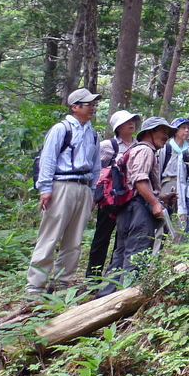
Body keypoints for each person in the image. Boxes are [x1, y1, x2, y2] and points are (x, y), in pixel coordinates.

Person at [26, 88, 102, 299]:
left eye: (93, 104)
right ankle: (35, 288)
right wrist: (45, 189)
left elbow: (96, 165)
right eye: (88, 105)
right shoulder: (61, 129)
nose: (92, 108)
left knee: (74, 240)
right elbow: (48, 159)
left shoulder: (92, 133)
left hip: (84, 188)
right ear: (75, 107)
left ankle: (62, 285)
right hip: (62, 186)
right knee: (50, 236)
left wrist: (93, 191)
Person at [99, 117, 176, 298]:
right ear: (148, 133)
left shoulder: (136, 149)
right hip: (138, 210)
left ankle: (106, 297)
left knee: (121, 253)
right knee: (136, 254)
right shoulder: (145, 150)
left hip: (128, 208)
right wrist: (155, 203)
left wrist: (161, 196)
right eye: (161, 131)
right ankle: (125, 301)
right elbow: (140, 180)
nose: (166, 136)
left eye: (167, 133)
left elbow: (136, 183)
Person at [86, 110, 141, 280]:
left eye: (132, 121)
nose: (131, 124)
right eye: (126, 122)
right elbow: (97, 171)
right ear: (118, 127)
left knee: (122, 239)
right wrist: (94, 196)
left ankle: (114, 276)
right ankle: (93, 277)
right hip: (109, 199)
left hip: (130, 199)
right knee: (102, 237)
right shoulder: (108, 146)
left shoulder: (139, 145)